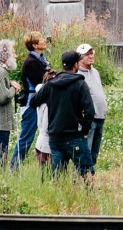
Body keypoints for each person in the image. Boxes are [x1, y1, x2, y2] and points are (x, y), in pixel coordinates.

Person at [39, 48, 94, 176]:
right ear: (75, 65)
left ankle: (57, 194)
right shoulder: (80, 84)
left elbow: (35, 100)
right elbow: (90, 110)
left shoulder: (51, 84)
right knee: (85, 172)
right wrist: (85, 129)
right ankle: (83, 194)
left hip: (55, 136)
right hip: (74, 135)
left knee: (57, 175)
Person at [11, 31, 51, 171]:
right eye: (41, 39)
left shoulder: (41, 60)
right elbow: (43, 82)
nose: (44, 40)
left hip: (40, 102)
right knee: (26, 138)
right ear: (34, 45)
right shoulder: (31, 62)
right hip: (32, 104)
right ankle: (14, 168)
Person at [74, 43, 108, 177]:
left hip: (100, 117)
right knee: (85, 151)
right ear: (80, 58)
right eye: (87, 54)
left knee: (94, 152)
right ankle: (80, 177)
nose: (90, 56)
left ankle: (89, 177)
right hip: (89, 119)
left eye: (91, 53)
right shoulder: (78, 75)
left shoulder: (95, 72)